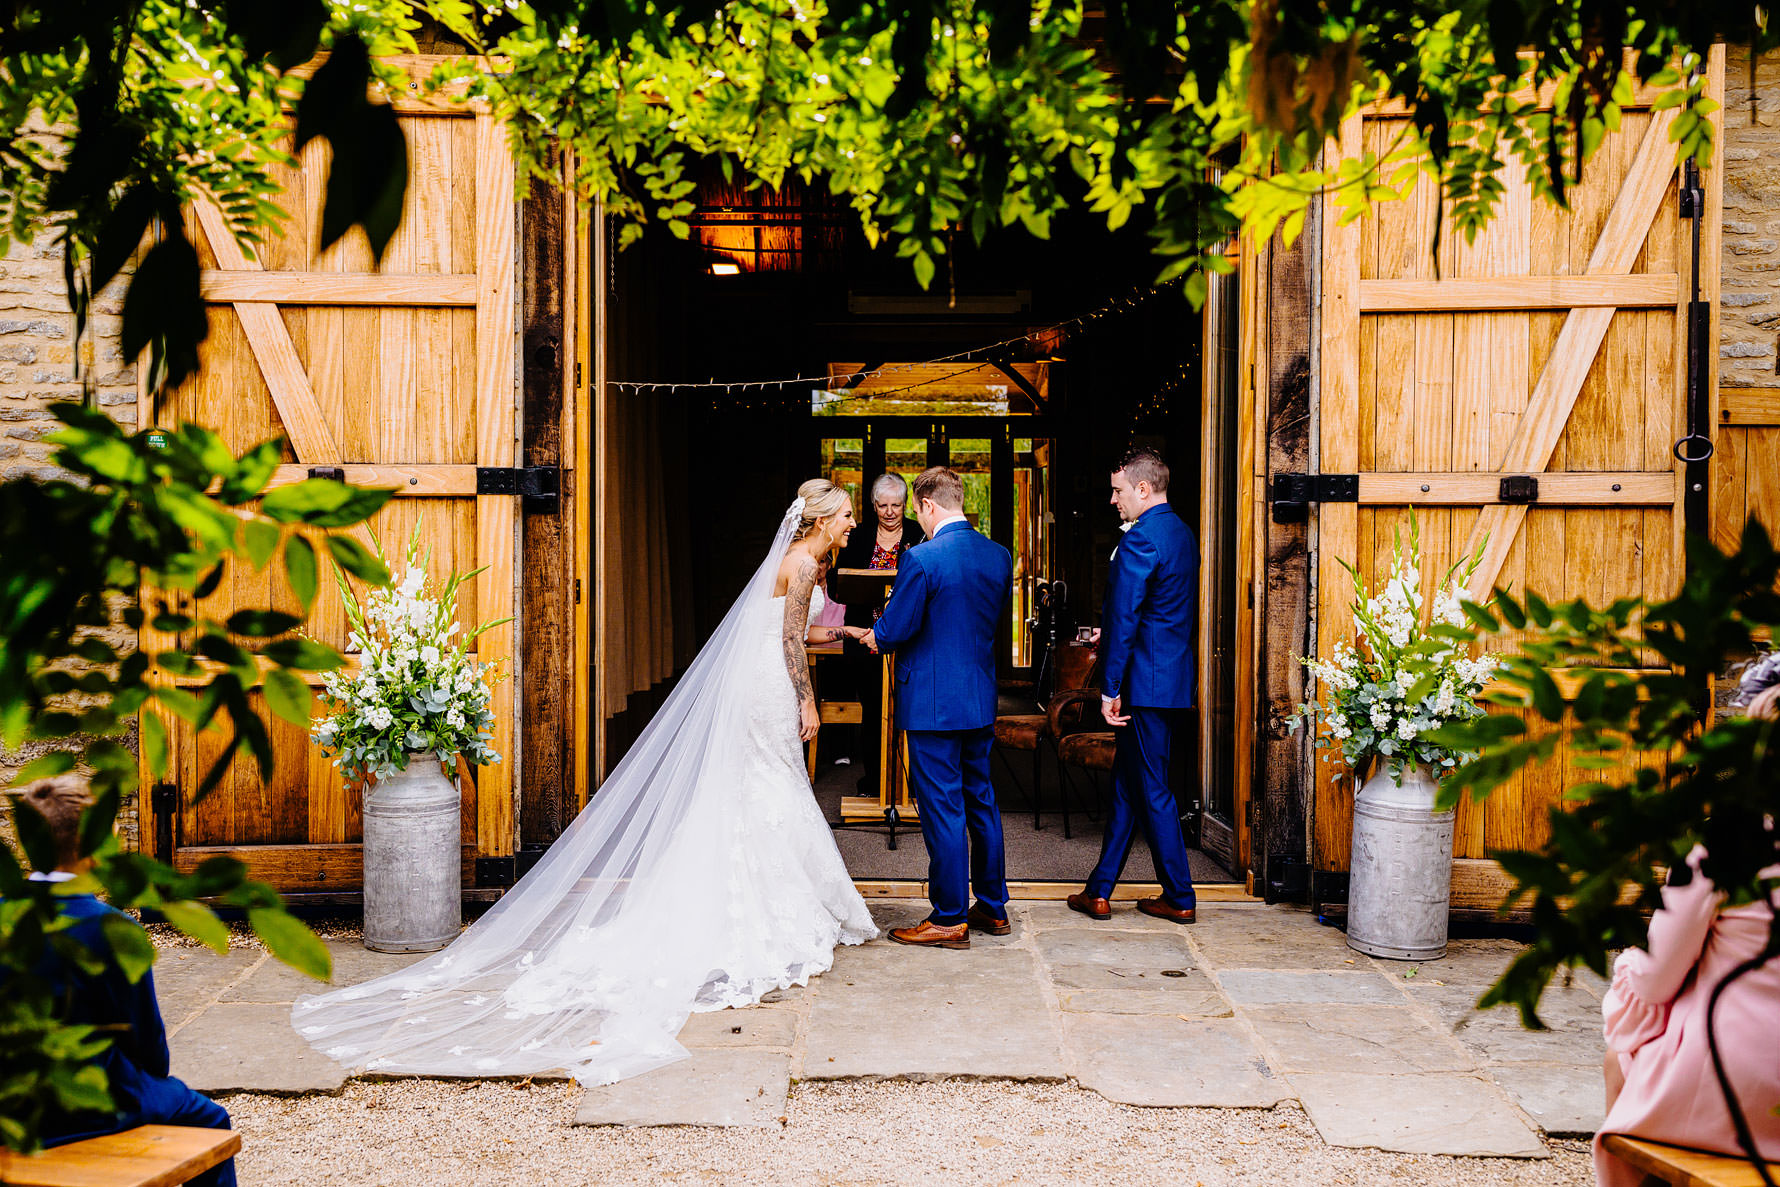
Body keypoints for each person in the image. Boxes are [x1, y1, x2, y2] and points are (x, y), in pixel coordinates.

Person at [293, 479, 878, 1086]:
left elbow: (791, 630)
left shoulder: (793, 560)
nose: (851, 525)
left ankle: (775, 896)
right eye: (845, 517)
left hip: (756, 681)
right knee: (772, 788)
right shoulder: (807, 563)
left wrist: (846, 632)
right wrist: (807, 701)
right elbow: (787, 640)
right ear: (821, 519)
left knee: (762, 790)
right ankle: (774, 911)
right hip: (771, 687)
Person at [1593, 663, 1780, 1185]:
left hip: (1737, 1083)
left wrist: (1631, 961)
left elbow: (1656, 980)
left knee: (1620, 1058)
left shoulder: (1727, 845)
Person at [6, 775, 237, 1186]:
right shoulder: (112, 929)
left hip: (12, 1102)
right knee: (212, 1118)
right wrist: (151, 1082)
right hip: (94, 1104)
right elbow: (147, 1043)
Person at [862, 467, 1014, 948]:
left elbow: (894, 630)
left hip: (931, 702)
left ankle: (949, 916)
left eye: (916, 512)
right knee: (981, 802)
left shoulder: (922, 559)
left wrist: (876, 632)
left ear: (927, 505)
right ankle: (992, 908)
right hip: (978, 697)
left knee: (942, 808)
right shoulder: (997, 555)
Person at [1067, 447, 1199, 926]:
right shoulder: (1182, 533)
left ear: (1143, 488)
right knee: (1128, 784)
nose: (1112, 500)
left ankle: (1181, 896)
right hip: (1169, 678)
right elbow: (1161, 611)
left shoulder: (1141, 539)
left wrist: (1110, 687)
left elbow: (1124, 618)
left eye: (1118, 490)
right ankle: (1099, 891)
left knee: (1153, 788)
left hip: (1142, 684)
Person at [829, 473, 925, 789]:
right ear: (873, 505)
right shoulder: (858, 536)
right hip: (865, 638)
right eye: (882, 505)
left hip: (909, 640)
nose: (888, 512)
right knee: (873, 710)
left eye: (895, 505)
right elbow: (836, 583)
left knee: (910, 709)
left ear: (904, 505)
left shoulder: (919, 533)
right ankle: (875, 779)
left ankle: (910, 781)